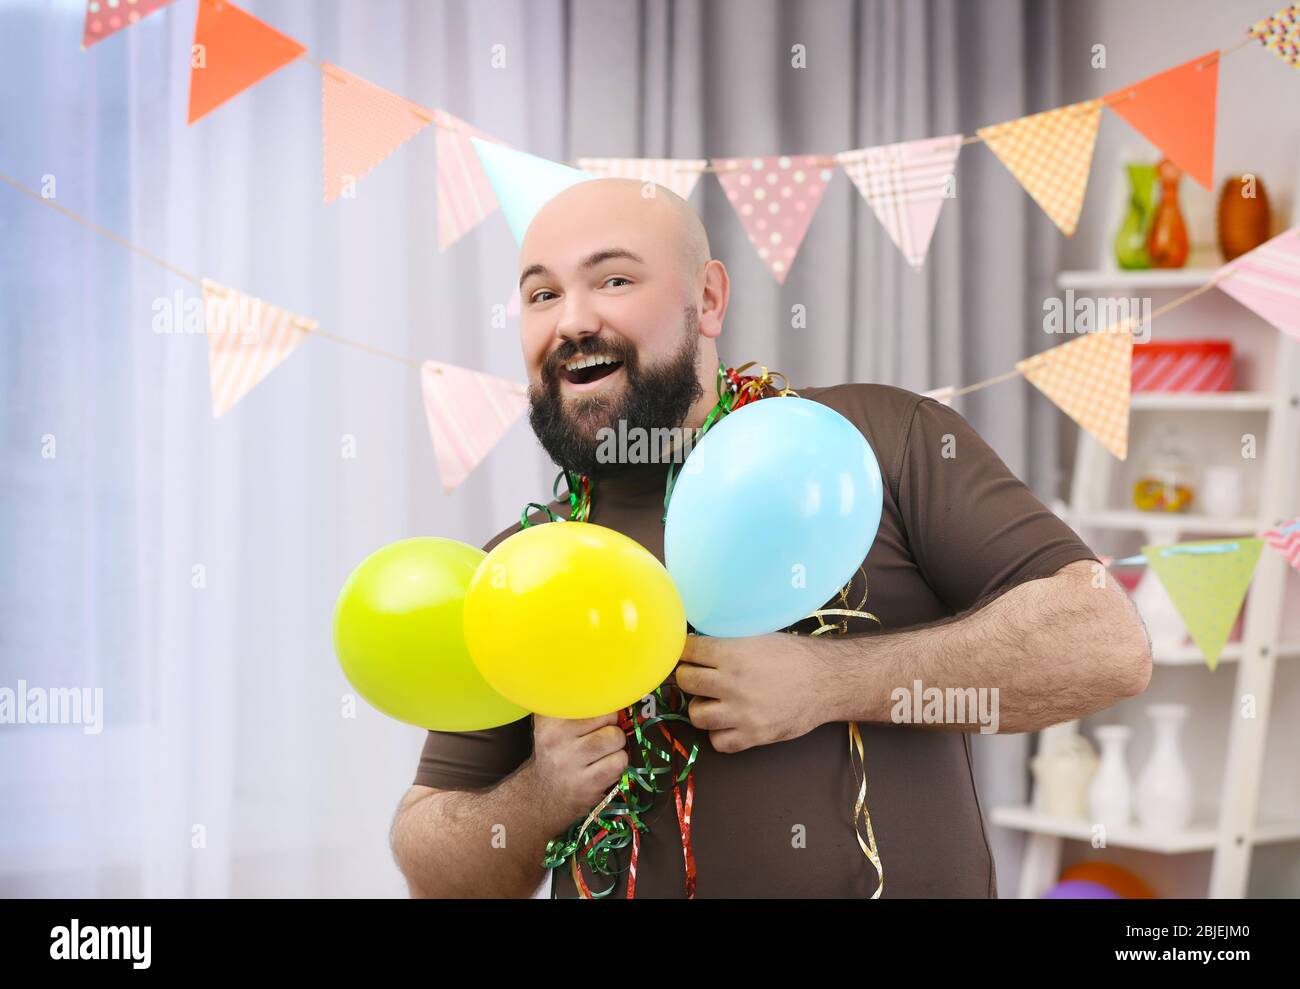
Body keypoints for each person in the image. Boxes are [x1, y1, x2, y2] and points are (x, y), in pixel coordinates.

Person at [389, 177, 1152, 898]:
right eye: (542, 293)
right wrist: (538, 797)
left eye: (614, 280)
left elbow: (1103, 640)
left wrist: (832, 681)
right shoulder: (522, 565)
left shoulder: (874, 442)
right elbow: (430, 859)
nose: (573, 319)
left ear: (708, 298)